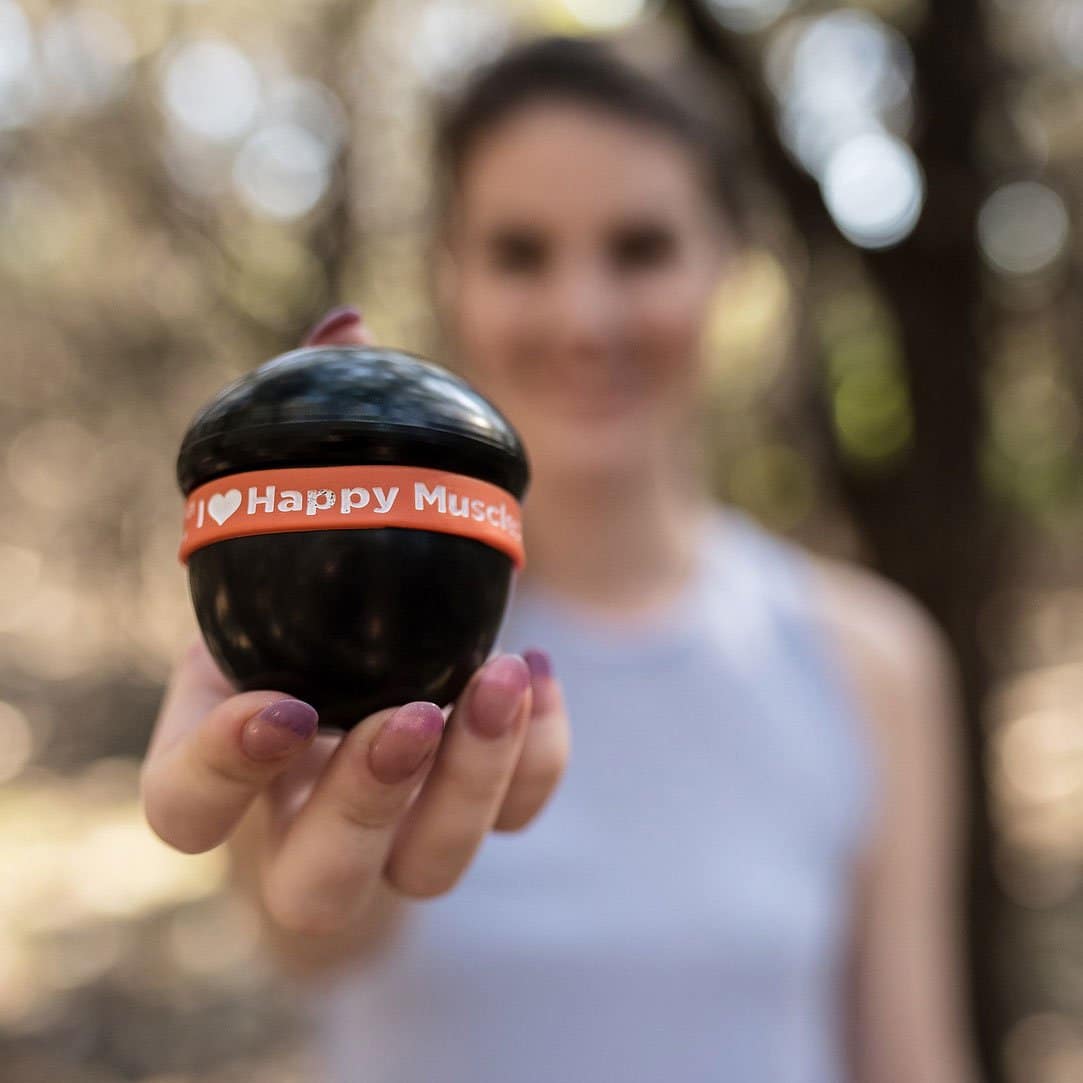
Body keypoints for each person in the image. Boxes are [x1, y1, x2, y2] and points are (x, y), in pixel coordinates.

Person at [142, 35, 979, 1083]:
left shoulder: (872, 661)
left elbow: (913, 1058)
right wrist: (310, 815)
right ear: (450, 275)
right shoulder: (340, 650)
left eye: (640, 249)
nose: (584, 318)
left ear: (728, 260)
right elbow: (316, 939)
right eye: (521, 253)